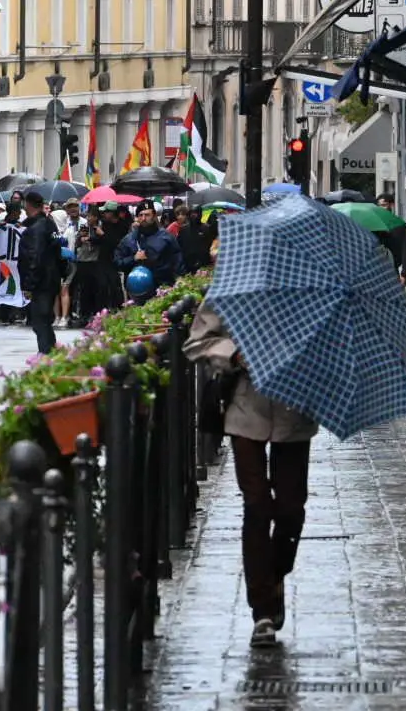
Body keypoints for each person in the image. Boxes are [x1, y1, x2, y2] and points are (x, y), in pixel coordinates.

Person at [184, 302, 318, 647]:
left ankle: (273, 575)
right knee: (257, 504)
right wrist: (236, 354)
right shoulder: (236, 286)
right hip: (246, 410)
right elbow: (197, 340)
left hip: (295, 410)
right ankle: (262, 610)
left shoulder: (312, 292)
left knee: (290, 508)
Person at [17, 191, 63, 355]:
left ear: (28, 205)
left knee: (40, 321)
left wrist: (29, 284)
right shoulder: (50, 224)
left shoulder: (35, 230)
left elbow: (33, 259)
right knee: (45, 320)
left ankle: (46, 354)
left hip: (41, 282)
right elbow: (58, 250)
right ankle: (51, 351)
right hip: (51, 279)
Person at [124, 203, 183, 289]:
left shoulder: (166, 237)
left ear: (154, 216)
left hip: (163, 288)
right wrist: (133, 258)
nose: (144, 218)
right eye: (141, 215)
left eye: (147, 215)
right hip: (138, 289)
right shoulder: (130, 238)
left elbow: (177, 259)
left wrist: (180, 278)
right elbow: (118, 261)